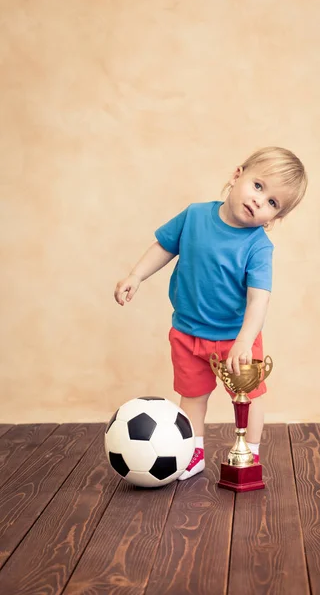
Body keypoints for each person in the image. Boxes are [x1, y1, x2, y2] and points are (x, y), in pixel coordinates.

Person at [114, 146, 308, 480]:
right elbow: (163, 246)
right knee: (191, 397)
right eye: (258, 186)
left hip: (235, 338)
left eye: (273, 203)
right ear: (237, 176)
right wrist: (136, 275)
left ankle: (250, 453)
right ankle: (194, 452)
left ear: (274, 219)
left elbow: (259, 299)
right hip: (188, 332)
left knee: (250, 397)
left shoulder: (258, 246)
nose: (260, 200)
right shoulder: (194, 216)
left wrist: (245, 341)